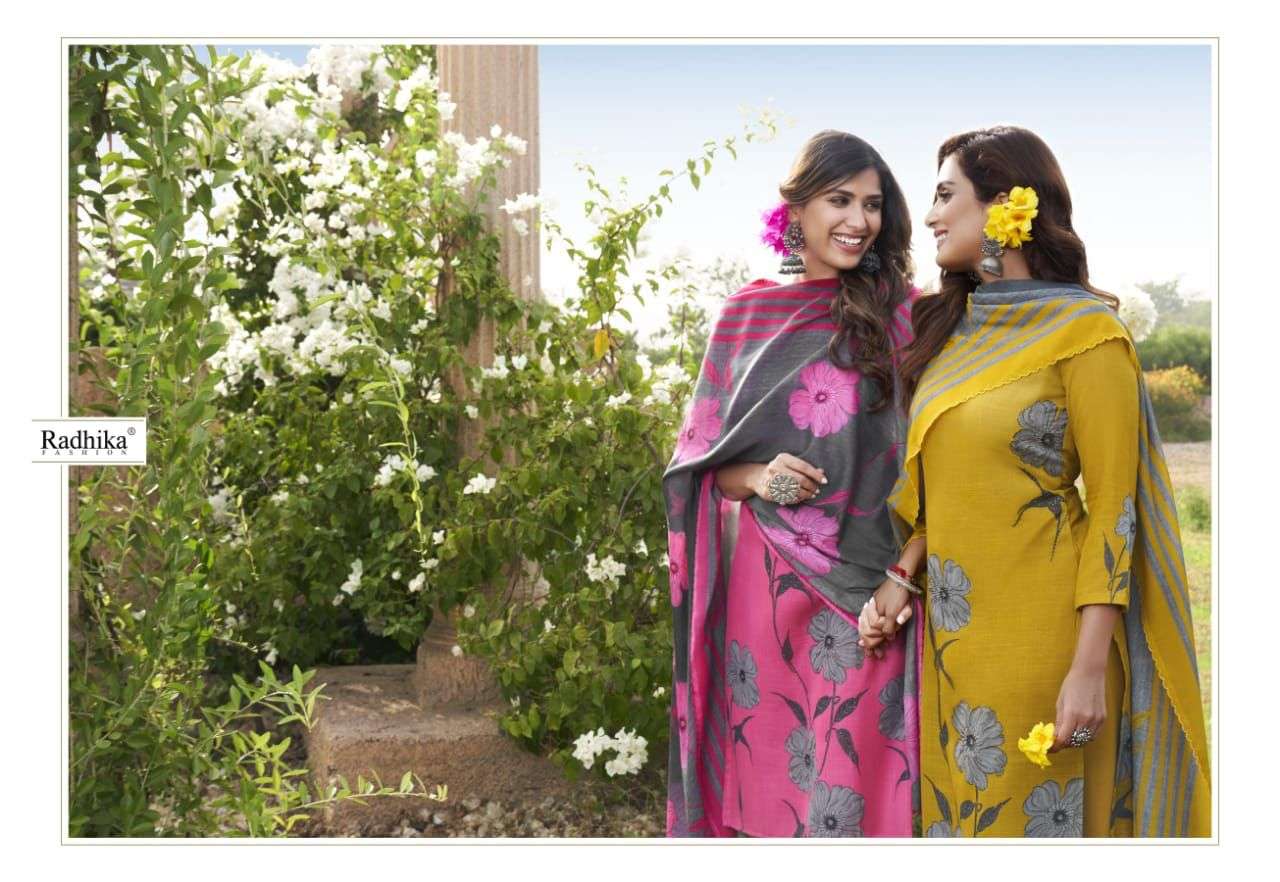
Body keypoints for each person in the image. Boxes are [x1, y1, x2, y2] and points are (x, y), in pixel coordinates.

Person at [858, 125, 1210, 837]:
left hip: (1046, 642)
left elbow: (1113, 508)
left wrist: (1088, 668)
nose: (931, 216)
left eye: (946, 195)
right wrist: (902, 574)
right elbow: (951, 486)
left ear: (1005, 205)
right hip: (955, 640)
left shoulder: (1086, 333)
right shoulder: (951, 334)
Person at [664, 130, 924, 837]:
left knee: (859, 781)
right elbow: (700, 464)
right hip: (770, 579)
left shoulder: (908, 315)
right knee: (776, 778)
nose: (858, 220)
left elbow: (933, 458)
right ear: (797, 209)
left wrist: (904, 574)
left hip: (873, 586)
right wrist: (759, 475)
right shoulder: (747, 316)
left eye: (873, 204)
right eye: (840, 200)